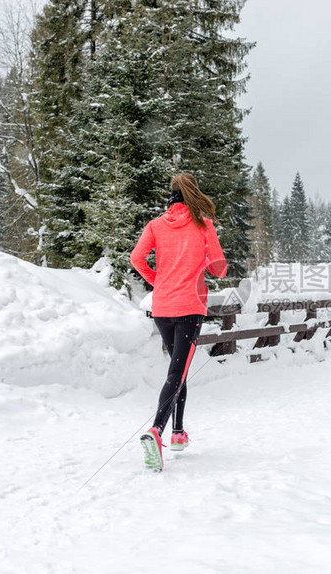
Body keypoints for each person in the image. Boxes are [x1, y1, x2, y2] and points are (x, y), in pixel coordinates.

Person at [130, 173, 227, 472]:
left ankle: (177, 433)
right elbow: (219, 270)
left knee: (178, 369)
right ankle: (157, 430)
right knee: (177, 372)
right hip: (189, 307)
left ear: (171, 197)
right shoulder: (203, 225)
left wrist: (159, 281)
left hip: (162, 308)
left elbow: (137, 258)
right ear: (192, 194)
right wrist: (208, 256)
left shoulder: (156, 225)